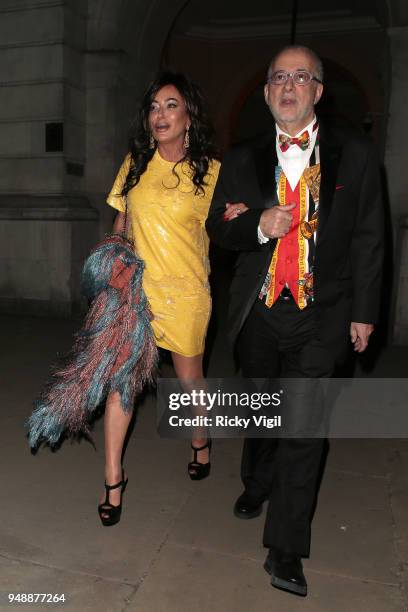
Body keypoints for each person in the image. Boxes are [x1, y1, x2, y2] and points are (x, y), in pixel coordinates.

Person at [206, 45, 384, 596]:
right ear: (265, 93)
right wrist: (257, 223)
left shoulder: (354, 154)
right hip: (257, 311)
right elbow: (218, 227)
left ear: (318, 92)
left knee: (303, 429)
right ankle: (257, 481)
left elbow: (370, 237)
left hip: (323, 313)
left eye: (301, 77)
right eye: (278, 77)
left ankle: (285, 547)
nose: (288, 86)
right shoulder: (240, 158)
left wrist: (364, 312)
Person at [99, 72, 220, 526]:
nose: (160, 115)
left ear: (188, 115)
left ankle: (200, 438)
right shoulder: (135, 164)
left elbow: (228, 229)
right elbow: (121, 226)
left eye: (171, 105)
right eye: (154, 107)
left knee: (189, 380)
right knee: (121, 386)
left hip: (187, 295)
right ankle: (114, 478)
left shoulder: (211, 172)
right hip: (137, 295)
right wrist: (113, 277)